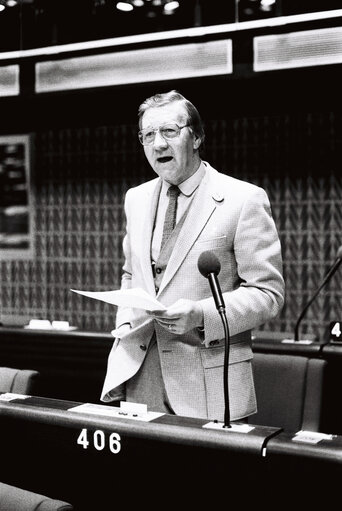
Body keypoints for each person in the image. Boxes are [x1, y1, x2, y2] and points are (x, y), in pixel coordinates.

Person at [101, 90, 285, 422]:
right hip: (140, 377)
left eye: (169, 131)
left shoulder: (243, 199)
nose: (158, 144)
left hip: (208, 386)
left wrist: (201, 313)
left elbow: (268, 295)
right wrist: (126, 321)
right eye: (148, 135)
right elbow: (132, 275)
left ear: (197, 136)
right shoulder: (137, 199)